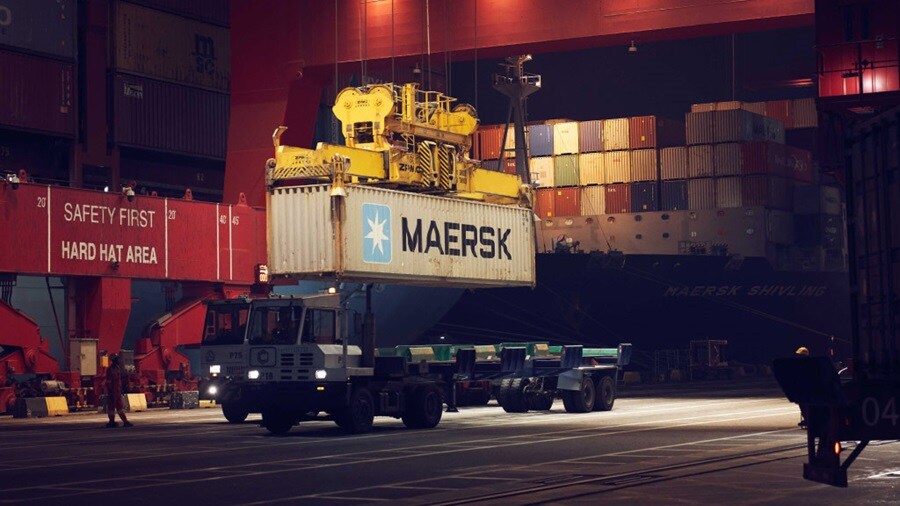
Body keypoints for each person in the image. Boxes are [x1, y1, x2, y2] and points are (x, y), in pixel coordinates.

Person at [105, 354, 133, 428]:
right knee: (112, 407)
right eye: (117, 360)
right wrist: (110, 391)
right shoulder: (110, 370)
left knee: (120, 407)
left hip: (117, 391)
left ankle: (124, 421)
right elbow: (108, 382)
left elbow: (119, 380)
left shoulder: (117, 368)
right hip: (112, 391)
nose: (119, 361)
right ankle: (112, 422)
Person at [795, 346, 810, 429]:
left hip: (808, 389)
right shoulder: (797, 365)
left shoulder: (810, 364)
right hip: (801, 388)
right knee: (802, 405)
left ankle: (809, 419)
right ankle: (807, 418)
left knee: (806, 405)